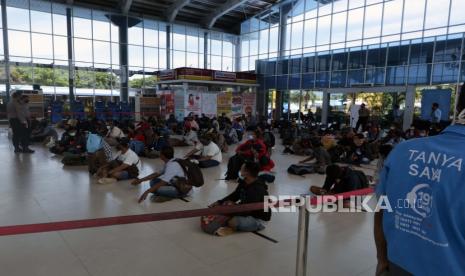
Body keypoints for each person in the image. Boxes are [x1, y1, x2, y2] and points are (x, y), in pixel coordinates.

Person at [374, 87, 465, 276]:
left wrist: (382, 260)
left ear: (457, 107)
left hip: (397, 264)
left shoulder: (403, 150)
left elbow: (381, 211)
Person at [209, 162, 271, 236]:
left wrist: (226, 212)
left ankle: (233, 228)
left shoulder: (257, 189)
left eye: (241, 169)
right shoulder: (244, 181)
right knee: (225, 205)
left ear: (247, 172)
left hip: (258, 218)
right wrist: (219, 202)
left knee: (232, 221)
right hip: (246, 209)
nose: (239, 170)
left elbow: (247, 210)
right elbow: (235, 195)